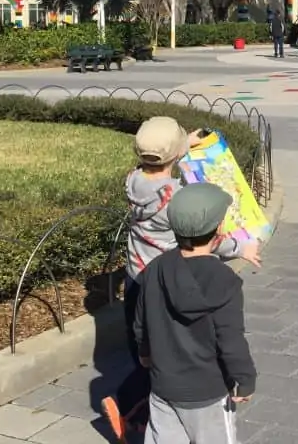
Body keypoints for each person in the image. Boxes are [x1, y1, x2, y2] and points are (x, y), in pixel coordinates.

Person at [101, 117, 261, 442]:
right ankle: (127, 401)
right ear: (175, 157)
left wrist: (180, 146)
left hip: (138, 279)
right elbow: (201, 235)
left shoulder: (133, 182)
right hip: (172, 276)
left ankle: (141, 411)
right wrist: (240, 247)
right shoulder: (175, 198)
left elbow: (153, 163)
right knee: (176, 347)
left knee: (150, 347)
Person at [134, 182, 257, 444]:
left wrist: (144, 353)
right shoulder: (224, 281)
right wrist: (245, 378)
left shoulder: (155, 269)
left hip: (163, 386)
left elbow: (141, 321)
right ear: (219, 230)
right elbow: (231, 339)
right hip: (209, 392)